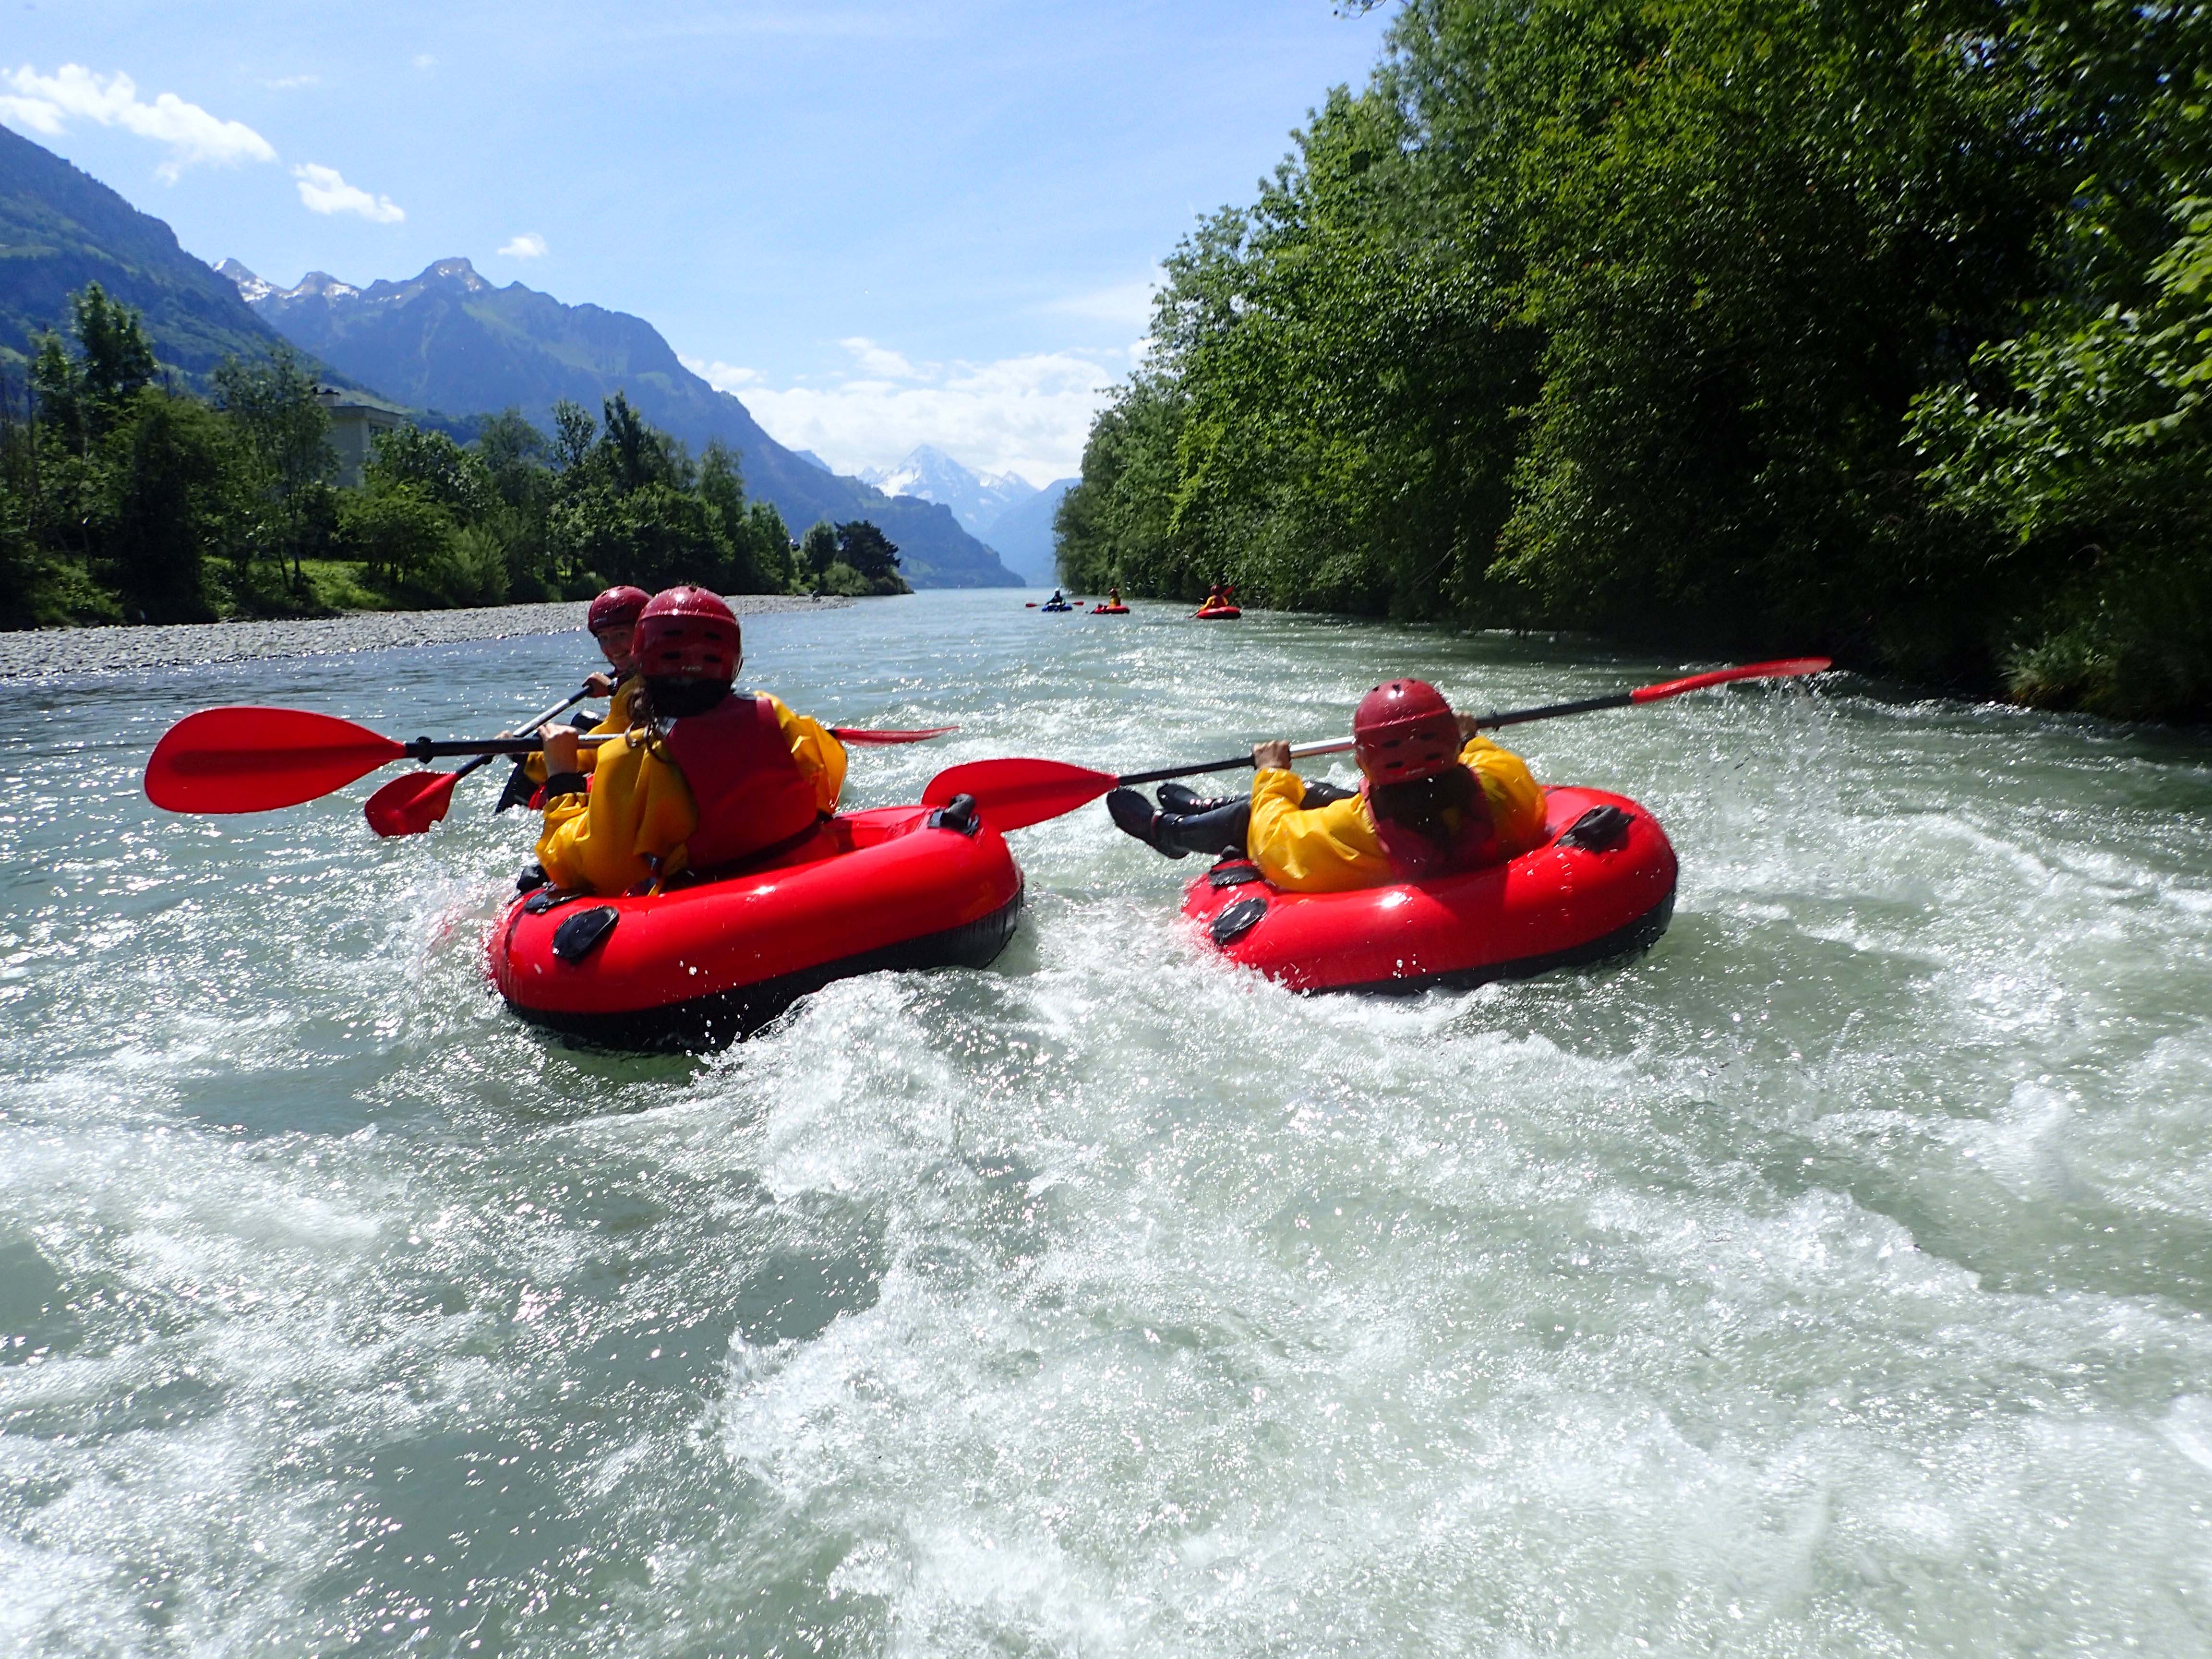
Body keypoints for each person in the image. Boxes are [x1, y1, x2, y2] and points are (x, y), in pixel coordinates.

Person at [532, 586, 847, 896]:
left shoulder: (633, 755)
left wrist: (562, 781)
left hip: (718, 906)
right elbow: (830, 783)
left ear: (641, 662)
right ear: (733, 660)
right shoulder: (776, 713)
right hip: (813, 880)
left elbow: (590, 871)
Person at [1106, 678, 1548, 892]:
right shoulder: (1507, 784)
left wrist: (1273, 772)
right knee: (1314, 794)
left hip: (1389, 856)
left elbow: (1271, 838)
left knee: (1257, 812)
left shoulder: (1352, 832)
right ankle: (1204, 809)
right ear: (1453, 743)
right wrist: (1469, 734)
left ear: (1362, 761)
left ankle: (1169, 832)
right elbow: (1481, 756)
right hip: (1452, 829)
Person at [498, 584, 652, 813]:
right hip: (639, 753)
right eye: (604, 638)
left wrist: (524, 755)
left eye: (621, 635)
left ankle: (507, 815)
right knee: (584, 720)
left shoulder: (635, 690)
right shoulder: (657, 670)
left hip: (635, 771)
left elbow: (594, 751)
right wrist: (613, 688)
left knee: (545, 740)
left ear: (645, 633)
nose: (611, 648)